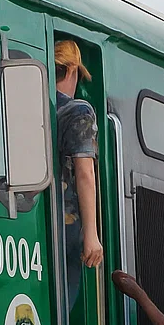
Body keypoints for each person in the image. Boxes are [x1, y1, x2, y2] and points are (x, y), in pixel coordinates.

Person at [54, 40, 103, 310]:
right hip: (68, 229)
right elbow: (85, 173)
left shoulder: (38, 106)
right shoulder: (78, 111)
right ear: (72, 69)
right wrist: (92, 235)